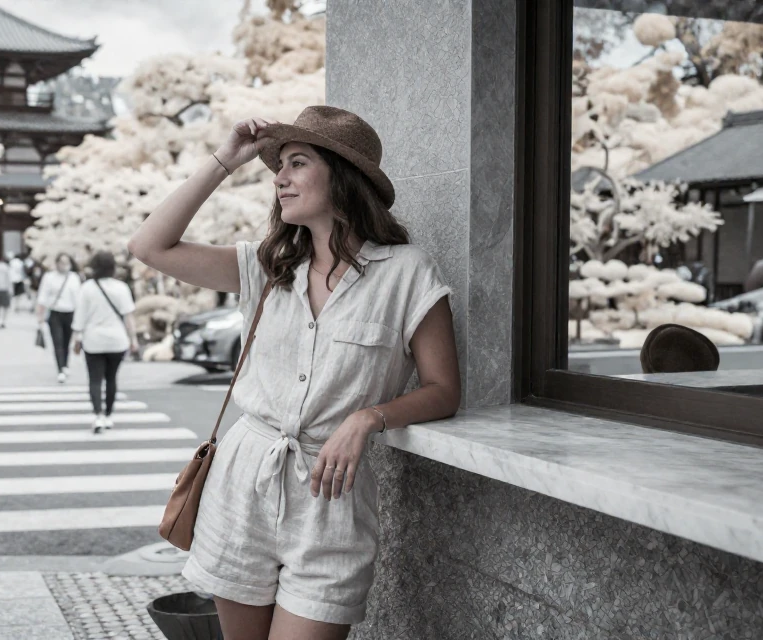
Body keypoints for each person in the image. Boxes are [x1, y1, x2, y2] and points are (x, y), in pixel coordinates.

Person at [127, 107, 461, 638]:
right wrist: (225, 160)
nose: (279, 178)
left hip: (330, 504)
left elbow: (444, 390)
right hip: (240, 489)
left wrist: (367, 418)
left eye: (297, 163)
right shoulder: (268, 267)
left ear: (342, 177)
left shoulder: (407, 271)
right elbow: (149, 247)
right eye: (278, 165)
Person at [71, 251, 138, 433]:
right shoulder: (122, 288)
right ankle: (108, 415)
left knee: (95, 379)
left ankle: (98, 415)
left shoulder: (87, 288)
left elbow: (80, 317)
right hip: (117, 341)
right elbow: (128, 317)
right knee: (111, 379)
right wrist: (134, 339)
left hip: (93, 340)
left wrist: (77, 338)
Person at [36, 253, 82, 383]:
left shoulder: (74, 277)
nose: (64, 265)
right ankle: (60, 369)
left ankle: (65, 364)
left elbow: (78, 299)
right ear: (57, 263)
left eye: (67, 262)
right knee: (58, 341)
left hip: (70, 313)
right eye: (62, 262)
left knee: (67, 342)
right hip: (55, 313)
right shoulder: (49, 277)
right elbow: (42, 297)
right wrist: (40, 315)